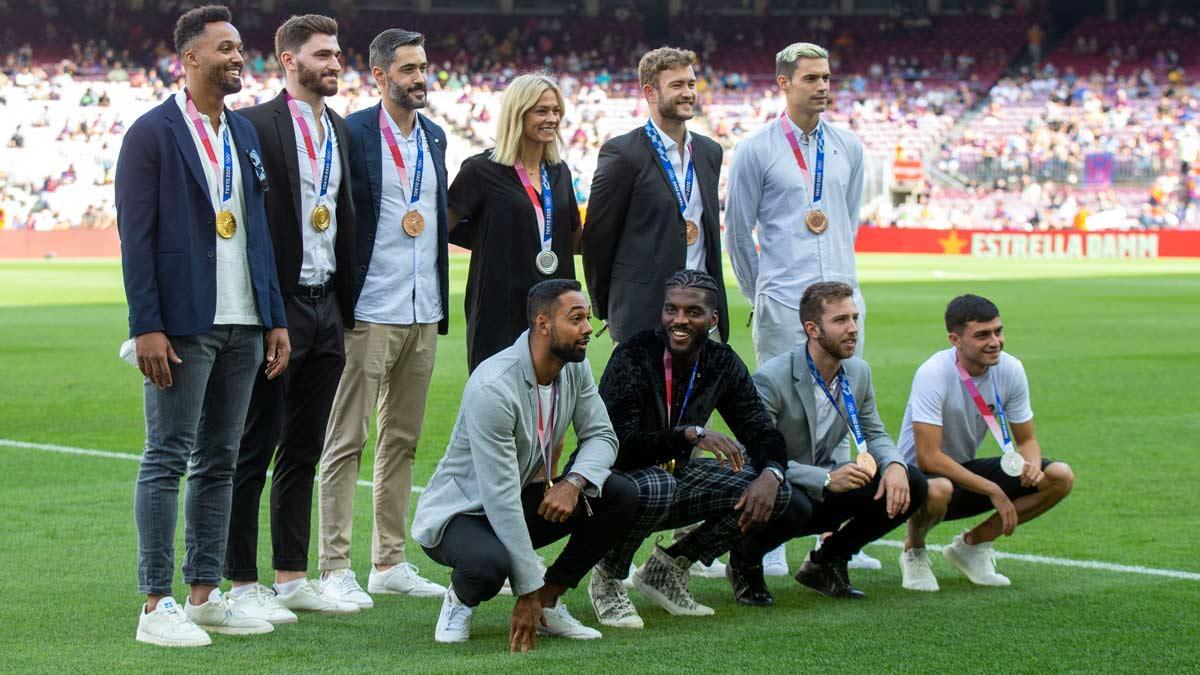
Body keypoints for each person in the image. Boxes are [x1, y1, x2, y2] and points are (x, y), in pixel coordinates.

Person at [117, 5, 288, 647]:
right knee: (166, 458)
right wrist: (146, 326)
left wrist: (272, 316)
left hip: (244, 320)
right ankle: (155, 604)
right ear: (190, 58)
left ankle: (204, 593)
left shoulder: (242, 133)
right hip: (183, 324)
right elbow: (136, 239)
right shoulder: (151, 133)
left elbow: (259, 233)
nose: (239, 56)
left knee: (220, 459)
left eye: (240, 47)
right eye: (225, 48)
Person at [411, 280, 637, 651]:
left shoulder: (573, 366)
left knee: (619, 494)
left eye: (588, 318)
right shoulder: (493, 386)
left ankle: (550, 601)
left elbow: (603, 436)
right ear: (542, 323)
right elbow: (498, 497)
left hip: (516, 496)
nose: (586, 330)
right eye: (576, 318)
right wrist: (524, 591)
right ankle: (460, 600)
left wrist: (574, 481)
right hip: (463, 512)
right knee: (488, 567)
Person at [222, 13, 359, 621]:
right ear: (288, 60)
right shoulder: (251, 125)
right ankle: (240, 584)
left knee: (304, 448)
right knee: (256, 446)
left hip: (326, 305)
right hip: (274, 310)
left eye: (337, 55)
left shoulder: (341, 133)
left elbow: (345, 220)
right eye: (323, 55)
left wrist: (345, 309)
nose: (334, 64)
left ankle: (290, 577)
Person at [724, 41, 871, 575]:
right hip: (783, 302)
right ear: (783, 83)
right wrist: (760, 292)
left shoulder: (849, 146)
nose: (823, 86)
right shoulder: (757, 149)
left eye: (827, 77)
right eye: (811, 78)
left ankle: (829, 528)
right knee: (777, 419)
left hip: (841, 301)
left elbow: (844, 219)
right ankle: (773, 530)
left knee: (837, 413)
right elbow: (739, 232)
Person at [317, 27, 450, 609]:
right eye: (408, 69)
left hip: (422, 311)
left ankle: (389, 561)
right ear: (379, 75)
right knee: (346, 439)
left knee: (403, 441)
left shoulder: (437, 138)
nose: (419, 78)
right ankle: (334, 565)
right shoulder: (350, 134)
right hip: (368, 310)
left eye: (423, 67)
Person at [586, 270, 792, 628]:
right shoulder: (635, 355)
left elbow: (760, 429)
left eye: (692, 312)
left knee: (776, 491)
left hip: (671, 476)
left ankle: (667, 568)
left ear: (713, 319)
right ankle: (607, 577)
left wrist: (772, 472)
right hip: (613, 484)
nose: (679, 321)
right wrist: (686, 435)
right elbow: (617, 446)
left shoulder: (721, 362)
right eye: (671, 310)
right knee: (657, 484)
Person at [736, 282, 927, 604]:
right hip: (781, 486)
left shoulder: (858, 372)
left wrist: (894, 465)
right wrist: (823, 478)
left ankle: (827, 561)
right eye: (841, 321)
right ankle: (745, 562)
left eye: (854, 318)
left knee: (913, 482)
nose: (853, 329)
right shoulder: (771, 378)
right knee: (794, 501)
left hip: (826, 485)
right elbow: (752, 456)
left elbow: (875, 432)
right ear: (812, 329)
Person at [897, 295, 1074, 592]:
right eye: (982, 335)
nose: (995, 342)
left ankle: (972, 547)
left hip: (962, 472)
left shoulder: (1010, 369)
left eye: (998, 331)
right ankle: (913, 550)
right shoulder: (934, 372)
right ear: (955, 339)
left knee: (1059, 477)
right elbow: (928, 457)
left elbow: (1027, 439)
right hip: (912, 481)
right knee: (940, 489)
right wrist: (993, 489)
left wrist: (1030, 462)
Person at [581, 47, 729, 343]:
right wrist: (608, 307)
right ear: (650, 92)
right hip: (645, 313)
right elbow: (598, 239)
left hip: (702, 311)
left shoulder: (709, 151)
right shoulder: (622, 154)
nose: (688, 93)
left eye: (690, 84)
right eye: (677, 85)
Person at [447, 73, 581, 372]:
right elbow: (444, 226)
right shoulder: (481, 170)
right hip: (500, 310)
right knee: (498, 402)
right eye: (542, 110)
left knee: (552, 406)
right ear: (518, 114)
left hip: (554, 310)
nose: (552, 118)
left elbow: (572, 234)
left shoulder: (560, 173)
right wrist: (490, 241)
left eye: (556, 110)